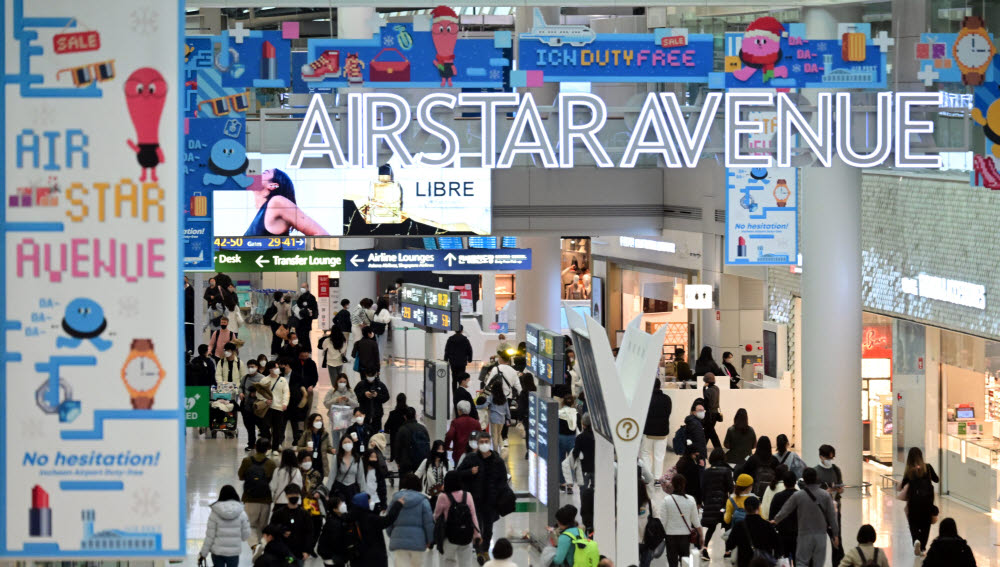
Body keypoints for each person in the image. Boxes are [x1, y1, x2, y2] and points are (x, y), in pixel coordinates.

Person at [456, 431, 509, 560]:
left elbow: (503, 479)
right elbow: (458, 474)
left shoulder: (497, 460)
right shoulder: (471, 458)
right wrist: (470, 472)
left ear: (490, 443)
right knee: (477, 527)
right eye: (481, 442)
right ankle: (479, 550)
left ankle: (485, 549)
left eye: (486, 442)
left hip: (491, 501)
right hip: (475, 500)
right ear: (477, 444)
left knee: (489, 527)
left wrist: (501, 495)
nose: (484, 445)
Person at [771, 467, 839, 567]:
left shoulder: (798, 495)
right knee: (818, 563)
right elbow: (832, 516)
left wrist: (775, 520)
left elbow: (785, 510)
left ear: (804, 479)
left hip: (804, 534)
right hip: (820, 534)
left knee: (802, 562)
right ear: (816, 478)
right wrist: (835, 534)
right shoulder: (825, 495)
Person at [245, 168, 328, 237]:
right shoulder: (261, 214)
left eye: (264, 173)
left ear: (272, 185)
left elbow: (322, 235)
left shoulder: (277, 202)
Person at [386, 473, 436, 567]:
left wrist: (391, 534)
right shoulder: (423, 501)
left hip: (399, 541)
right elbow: (428, 523)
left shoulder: (395, 499)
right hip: (418, 541)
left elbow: (389, 519)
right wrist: (430, 539)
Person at [434, 470, 482, 565]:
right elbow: (473, 516)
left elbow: (436, 516)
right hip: (466, 535)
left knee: (449, 561)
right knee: (466, 562)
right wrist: (477, 535)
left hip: (449, 536)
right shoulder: (467, 495)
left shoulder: (443, 496)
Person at [199, 484, 251, 567]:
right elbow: (245, 536)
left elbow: (209, 536)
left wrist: (203, 553)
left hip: (217, 552)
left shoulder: (215, 513)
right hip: (233, 553)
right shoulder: (242, 513)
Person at [347, 492, 404, 567]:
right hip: (374, 558)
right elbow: (388, 520)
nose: (371, 502)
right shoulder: (370, 518)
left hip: (358, 558)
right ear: (363, 503)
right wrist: (398, 504)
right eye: (369, 501)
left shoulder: (350, 517)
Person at [238, 438, 277, 547]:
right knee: (263, 527)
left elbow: (241, 476)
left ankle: (254, 546)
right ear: (268, 449)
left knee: (250, 525)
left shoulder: (247, 461)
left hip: (249, 498)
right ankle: (262, 546)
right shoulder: (271, 464)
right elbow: (274, 482)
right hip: (265, 499)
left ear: (255, 446)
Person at [901, 446, 939, 556]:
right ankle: (922, 548)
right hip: (927, 502)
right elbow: (937, 480)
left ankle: (916, 540)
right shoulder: (927, 467)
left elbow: (903, 485)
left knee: (913, 524)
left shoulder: (909, 471)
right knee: (926, 525)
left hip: (913, 503)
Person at [659, 475, 701, 567]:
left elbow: (663, 522)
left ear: (673, 485)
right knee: (685, 561)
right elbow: (695, 520)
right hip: (685, 536)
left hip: (670, 536)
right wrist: (701, 536)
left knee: (672, 562)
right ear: (684, 485)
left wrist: (660, 537)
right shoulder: (690, 499)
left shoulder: (667, 500)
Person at [700, 448, 734, 561]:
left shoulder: (706, 472)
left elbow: (702, 489)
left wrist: (705, 502)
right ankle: (727, 551)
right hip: (722, 504)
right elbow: (730, 488)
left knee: (711, 527)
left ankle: (705, 548)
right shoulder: (726, 471)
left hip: (710, 503)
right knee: (727, 525)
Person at [728, 496, 781, 567]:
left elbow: (730, 544)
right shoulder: (767, 525)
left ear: (745, 508)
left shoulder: (739, 526)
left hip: (744, 562)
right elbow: (777, 545)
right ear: (759, 507)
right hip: (764, 563)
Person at [268, 484, 314, 565]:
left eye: (296, 494)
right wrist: (281, 530)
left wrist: (307, 550)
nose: (293, 496)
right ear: (286, 495)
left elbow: (309, 533)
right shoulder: (278, 513)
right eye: (291, 494)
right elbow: (270, 529)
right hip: (283, 551)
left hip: (299, 552)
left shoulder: (305, 514)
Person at [816, 444, 846, 564]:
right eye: (828, 458)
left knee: (837, 539)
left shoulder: (836, 470)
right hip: (820, 511)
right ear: (821, 457)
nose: (830, 461)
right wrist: (824, 492)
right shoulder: (815, 472)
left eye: (831, 458)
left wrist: (839, 489)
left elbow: (841, 487)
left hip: (835, 509)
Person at [483, 349, 518, 447]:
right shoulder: (513, 371)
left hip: (494, 409)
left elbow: (488, 384)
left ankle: (496, 448)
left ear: (501, 358)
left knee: (494, 433)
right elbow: (518, 386)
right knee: (502, 427)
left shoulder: (495, 369)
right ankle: (503, 442)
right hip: (505, 407)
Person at [642, 378, 671, 479]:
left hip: (648, 431)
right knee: (659, 456)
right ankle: (657, 478)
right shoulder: (667, 399)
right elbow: (668, 413)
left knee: (646, 454)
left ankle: (647, 477)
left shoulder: (646, 399)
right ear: (660, 386)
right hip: (662, 432)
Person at [258, 362, 289, 453]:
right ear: (270, 369)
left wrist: (285, 403)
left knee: (277, 429)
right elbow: (259, 393)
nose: (277, 369)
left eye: (277, 367)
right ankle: (268, 447)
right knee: (265, 428)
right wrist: (265, 400)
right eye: (275, 367)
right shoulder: (264, 380)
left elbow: (286, 393)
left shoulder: (283, 380)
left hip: (279, 408)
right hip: (267, 408)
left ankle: (275, 448)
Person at [769, 470, 799, 561]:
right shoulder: (802, 496)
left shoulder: (777, 496)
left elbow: (772, 517)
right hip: (798, 534)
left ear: (784, 483)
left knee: (783, 561)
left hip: (782, 534)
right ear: (795, 482)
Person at [724, 473, 755, 559]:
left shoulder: (731, 500)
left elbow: (727, 520)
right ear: (748, 487)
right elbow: (762, 517)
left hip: (738, 537)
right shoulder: (754, 500)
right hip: (753, 537)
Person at [324, 373, 359, 450]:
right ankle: (336, 456)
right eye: (340, 381)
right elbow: (326, 403)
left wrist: (348, 400)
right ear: (337, 381)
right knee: (335, 441)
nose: (342, 383)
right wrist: (335, 400)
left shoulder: (350, 391)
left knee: (346, 439)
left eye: (344, 382)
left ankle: (345, 454)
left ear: (347, 382)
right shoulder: (332, 391)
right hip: (334, 420)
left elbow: (356, 404)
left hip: (346, 420)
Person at [316, 494, 352, 567]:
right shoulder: (333, 524)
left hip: (333, 556)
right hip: (332, 559)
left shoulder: (339, 518)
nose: (343, 505)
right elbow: (337, 543)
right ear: (335, 509)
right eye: (340, 504)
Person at [296, 413, 334, 479]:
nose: (319, 422)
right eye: (317, 420)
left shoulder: (325, 434)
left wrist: (331, 450)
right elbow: (298, 448)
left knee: (319, 480)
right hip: (309, 461)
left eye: (320, 420)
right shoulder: (306, 433)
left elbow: (328, 447)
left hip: (321, 461)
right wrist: (306, 448)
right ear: (312, 422)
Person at [395, 406, 430, 477]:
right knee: (418, 483)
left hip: (406, 462)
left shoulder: (402, 430)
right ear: (415, 415)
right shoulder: (422, 428)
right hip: (420, 461)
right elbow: (428, 445)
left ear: (405, 417)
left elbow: (397, 447)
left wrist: (398, 461)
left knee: (404, 484)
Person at [329, 433, 365, 501]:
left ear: (352, 444)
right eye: (345, 442)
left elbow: (361, 478)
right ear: (341, 445)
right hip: (340, 490)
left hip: (353, 490)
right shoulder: (337, 458)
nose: (347, 444)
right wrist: (327, 492)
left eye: (349, 442)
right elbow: (331, 476)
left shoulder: (357, 458)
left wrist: (364, 493)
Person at [557, 393, 578, 494]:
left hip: (560, 438)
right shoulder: (575, 413)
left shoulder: (559, 413)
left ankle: (562, 483)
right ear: (573, 403)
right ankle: (570, 485)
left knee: (561, 460)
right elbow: (579, 428)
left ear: (563, 402)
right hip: (572, 439)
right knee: (571, 462)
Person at [384, 393, 411, 462]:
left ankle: (393, 459)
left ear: (397, 401)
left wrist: (389, 431)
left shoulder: (392, 413)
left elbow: (386, 427)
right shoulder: (408, 413)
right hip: (406, 438)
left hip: (394, 438)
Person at [363, 447, 388, 513]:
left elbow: (382, 489)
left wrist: (384, 504)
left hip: (376, 501)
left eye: (375, 457)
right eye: (371, 457)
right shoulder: (362, 471)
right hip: (363, 501)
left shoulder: (379, 472)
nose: (374, 459)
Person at [267, 291, 292, 357]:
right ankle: (285, 352)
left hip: (275, 323)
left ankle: (274, 352)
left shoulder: (275, 303)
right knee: (286, 338)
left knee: (276, 338)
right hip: (285, 324)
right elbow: (289, 315)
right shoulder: (287, 306)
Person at [702, 372, 723, 450]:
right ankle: (701, 448)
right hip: (715, 414)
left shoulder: (708, 391)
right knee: (707, 432)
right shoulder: (717, 388)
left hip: (709, 415)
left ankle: (719, 449)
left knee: (711, 433)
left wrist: (703, 388)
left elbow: (706, 402)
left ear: (707, 382)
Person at [294, 283, 318, 350]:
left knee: (305, 335)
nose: (302, 289)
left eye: (304, 287)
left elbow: (313, 309)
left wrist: (307, 311)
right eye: (302, 287)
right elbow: (298, 305)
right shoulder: (301, 297)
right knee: (299, 335)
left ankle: (308, 349)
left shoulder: (311, 297)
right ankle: (301, 349)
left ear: (307, 288)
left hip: (307, 320)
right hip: (299, 320)